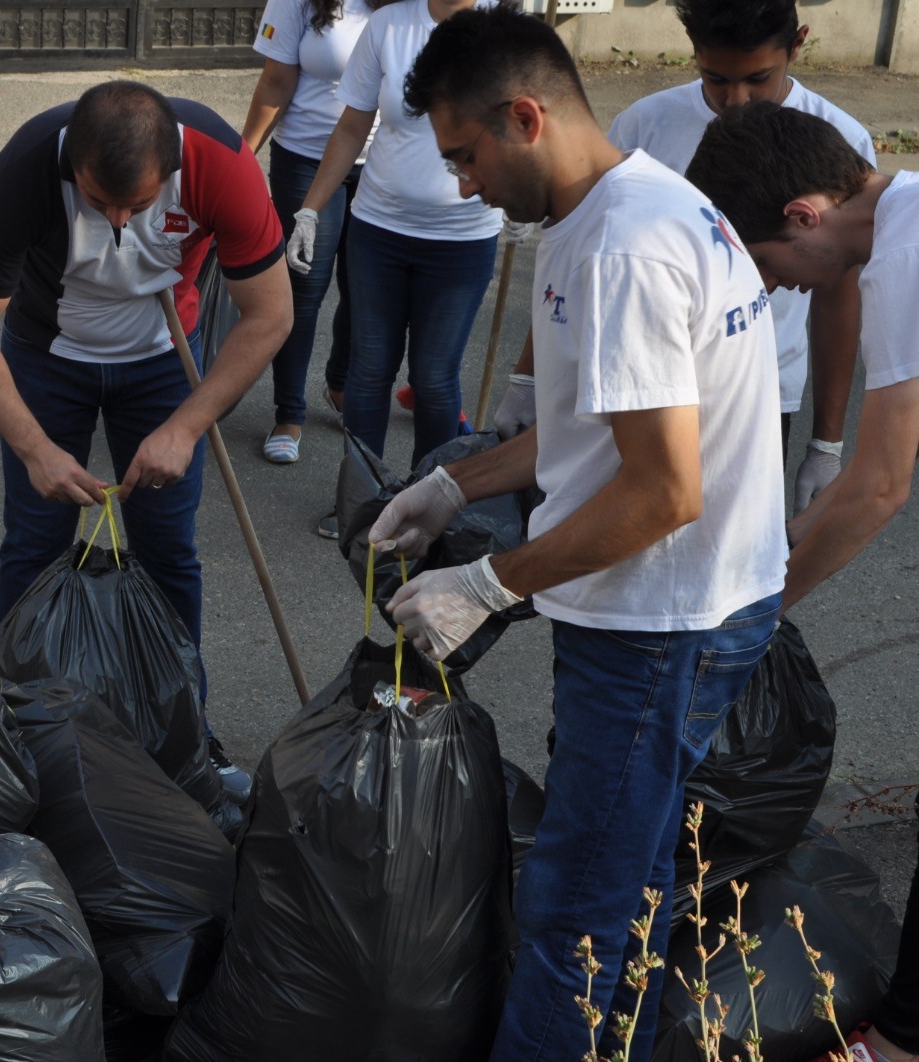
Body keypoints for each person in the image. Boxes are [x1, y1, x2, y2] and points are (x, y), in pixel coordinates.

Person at [368, 7, 787, 1060]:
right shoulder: (625, 207)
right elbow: (597, 424)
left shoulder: (623, 247)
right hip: (686, 604)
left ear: (524, 115)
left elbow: (660, 495)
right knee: (625, 871)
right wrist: (459, 487)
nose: (461, 185)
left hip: (660, 621)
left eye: (465, 156)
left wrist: (488, 585)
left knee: (576, 913)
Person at [0, 80, 291, 801]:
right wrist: (36, 448)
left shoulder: (221, 162)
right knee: (34, 543)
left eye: (137, 203)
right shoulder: (30, 166)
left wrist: (186, 426)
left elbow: (271, 315)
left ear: (174, 167)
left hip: (166, 359)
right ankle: (14, 723)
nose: (120, 219)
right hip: (48, 353)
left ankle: (184, 725)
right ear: (74, 162)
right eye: (100, 202)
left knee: (169, 550)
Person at [687, 100, 919, 1062]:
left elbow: (877, 486)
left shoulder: (907, 249)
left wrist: (751, 613)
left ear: (804, 214)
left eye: (770, 267)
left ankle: (900, 1043)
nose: (776, 292)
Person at [493, 0, 872, 519]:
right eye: (715, 78)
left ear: (798, 44)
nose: (736, 99)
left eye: (758, 78)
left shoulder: (840, 138)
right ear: (693, 53)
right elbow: (580, 255)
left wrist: (826, 443)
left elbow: (837, 298)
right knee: (609, 533)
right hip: (633, 382)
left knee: (727, 552)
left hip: (753, 393)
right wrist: (528, 378)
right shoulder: (644, 127)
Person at [289, 0, 502, 537]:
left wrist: (532, 195)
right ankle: (360, 502)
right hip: (379, 229)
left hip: (461, 237)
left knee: (433, 377)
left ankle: (430, 508)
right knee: (368, 369)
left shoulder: (505, 26)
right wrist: (311, 208)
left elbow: (531, 124)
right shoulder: (389, 25)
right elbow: (353, 124)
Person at [240, 0, 382, 463]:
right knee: (303, 287)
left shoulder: (408, 6)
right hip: (305, 158)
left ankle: (339, 386)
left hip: (384, 162)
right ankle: (289, 414)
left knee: (366, 290)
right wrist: (239, 161)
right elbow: (277, 80)